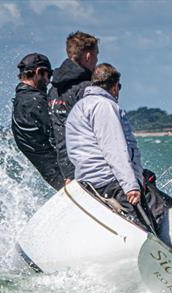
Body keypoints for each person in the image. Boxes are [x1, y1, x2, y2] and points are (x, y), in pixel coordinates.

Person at [65, 63, 171, 235]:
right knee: (146, 233)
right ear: (114, 86)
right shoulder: (104, 106)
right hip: (113, 184)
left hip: (89, 185)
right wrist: (130, 186)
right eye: (119, 87)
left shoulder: (78, 108)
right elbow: (114, 148)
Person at [48, 31, 99, 182]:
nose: (97, 60)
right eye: (96, 54)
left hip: (66, 167)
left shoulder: (53, 90)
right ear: (88, 56)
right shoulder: (86, 88)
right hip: (90, 167)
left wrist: (68, 173)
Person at [11, 53, 64, 190]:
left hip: (53, 175)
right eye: (49, 75)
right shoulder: (34, 102)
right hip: (63, 174)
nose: (49, 81)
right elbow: (57, 136)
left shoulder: (20, 100)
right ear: (39, 72)